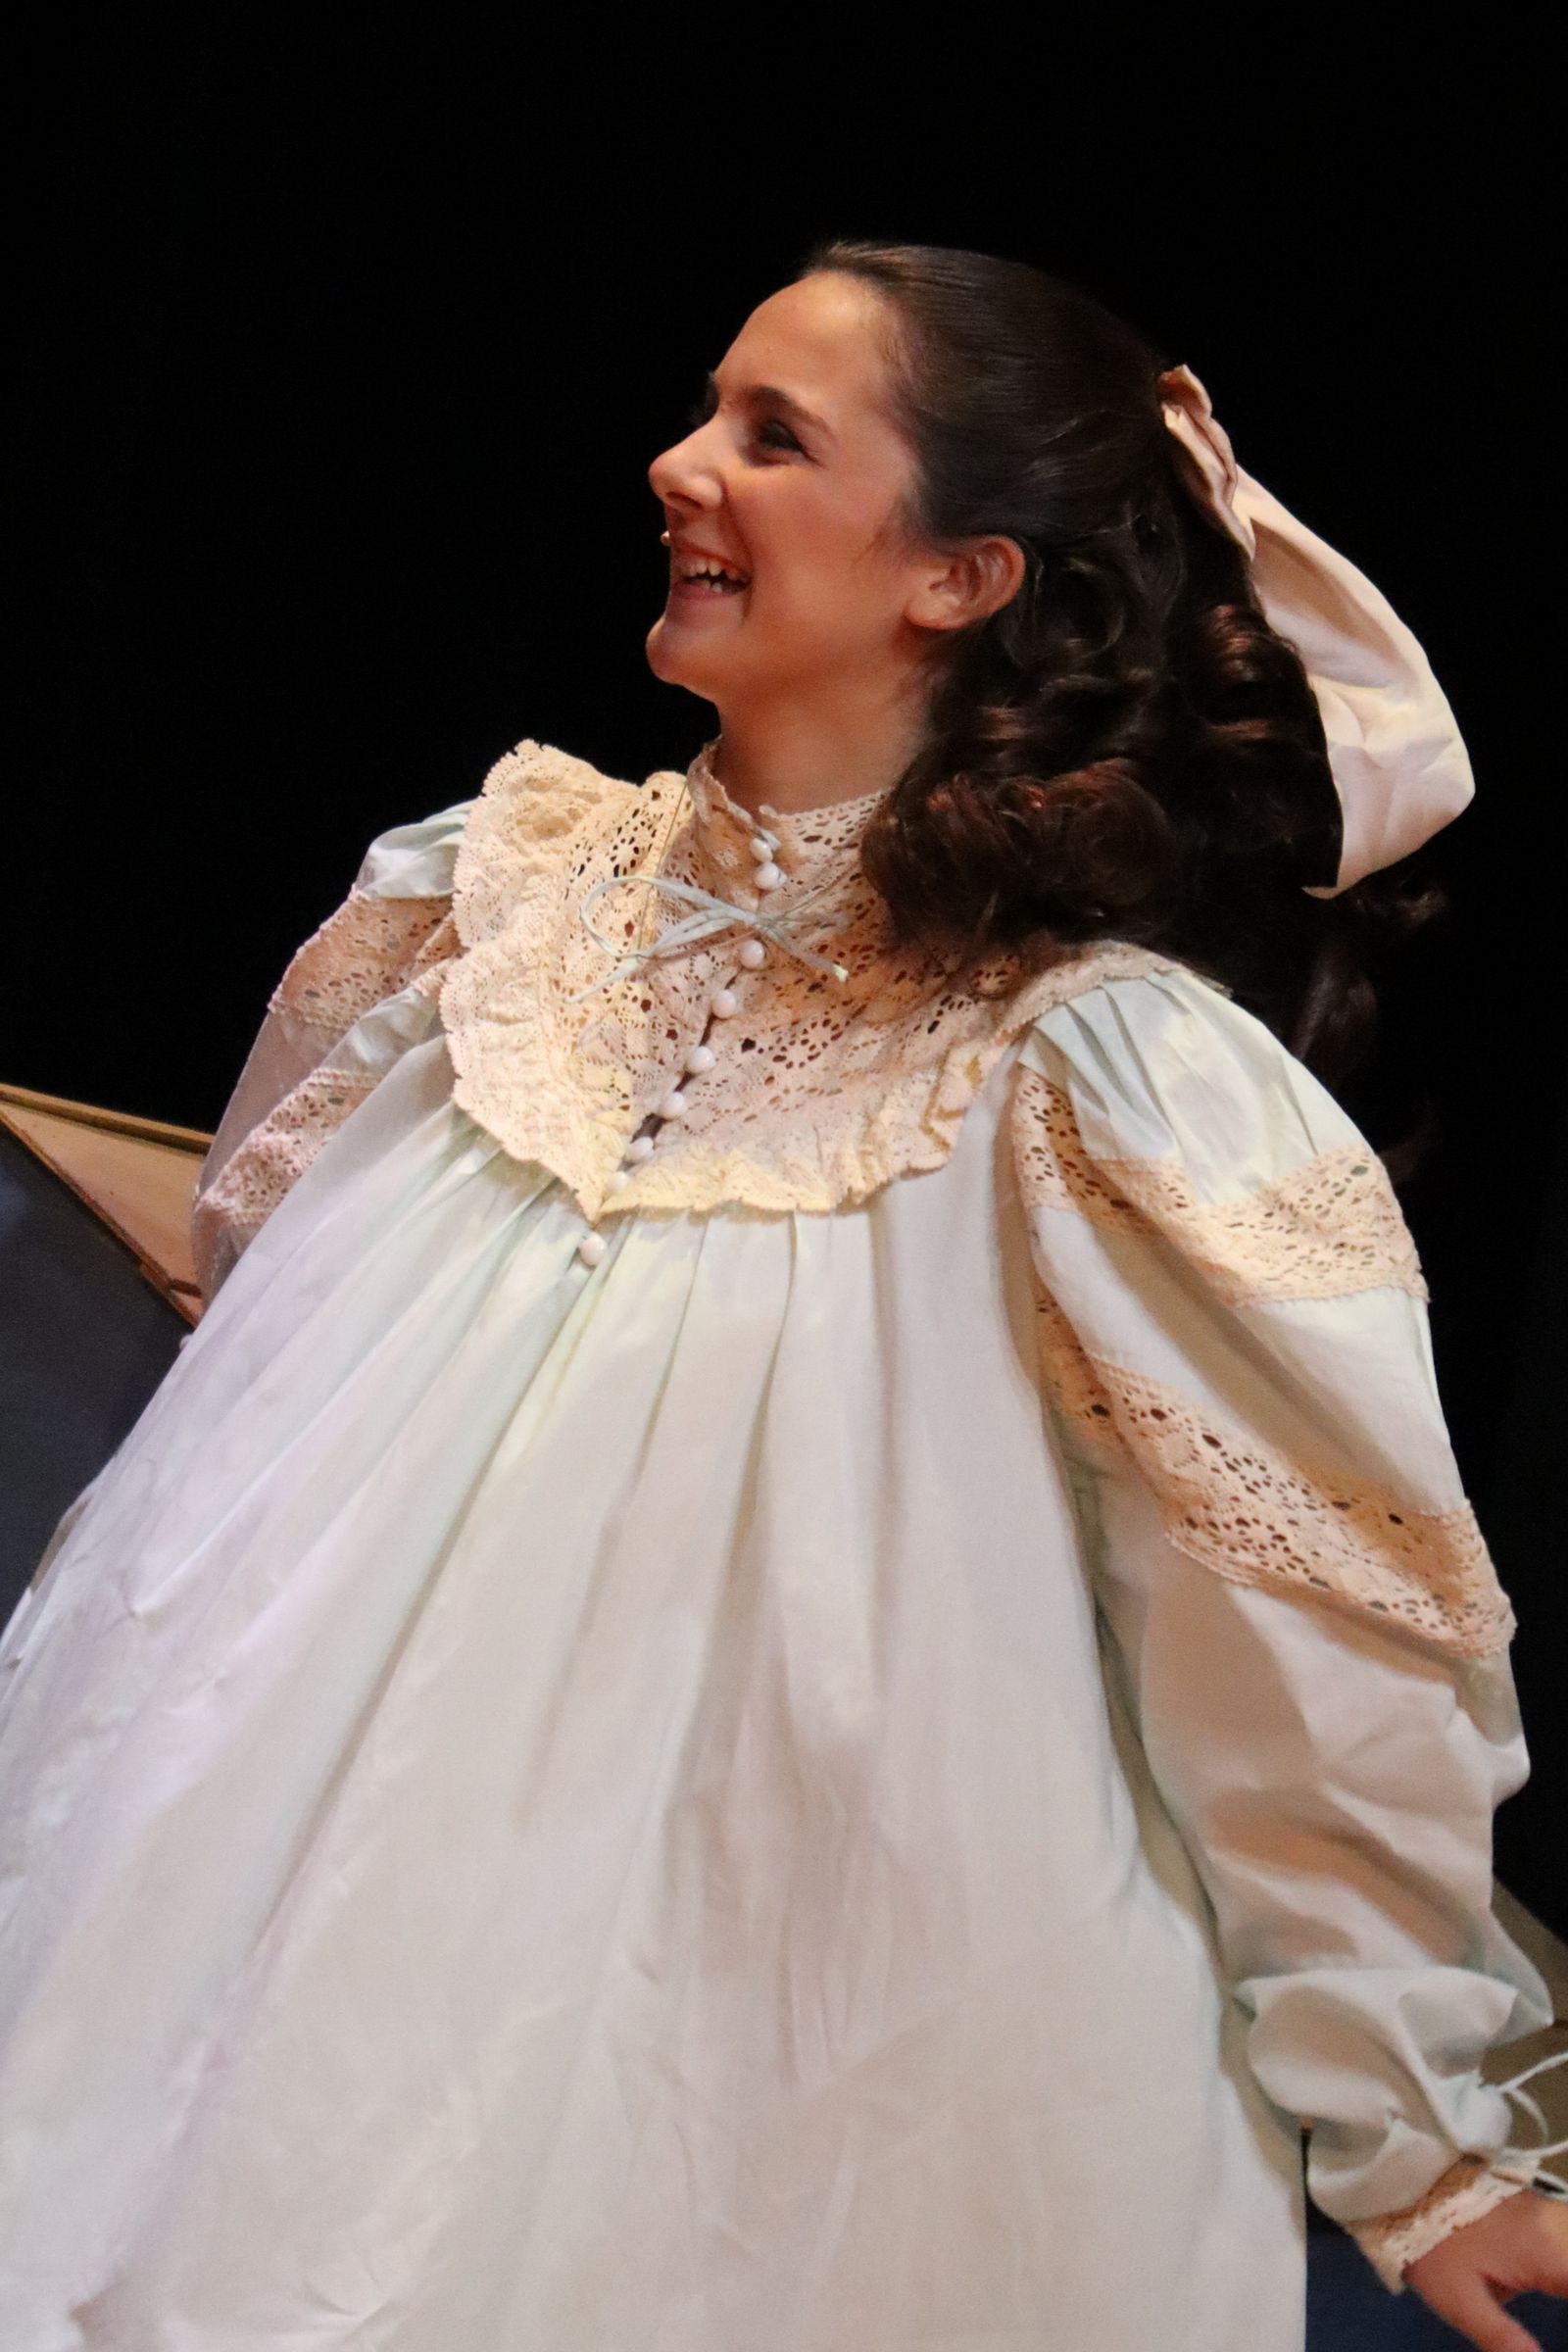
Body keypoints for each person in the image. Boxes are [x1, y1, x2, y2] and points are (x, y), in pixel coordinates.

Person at [0, 239, 1563, 2352]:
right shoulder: (484, 905)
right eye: (704, 410)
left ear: (959, 576)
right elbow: (258, 1307)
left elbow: (1296, 1633)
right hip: (272, 1918)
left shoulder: (1094, 1082)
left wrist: (1417, 2135)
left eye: (774, 436)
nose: (678, 466)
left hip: (780, 2010)